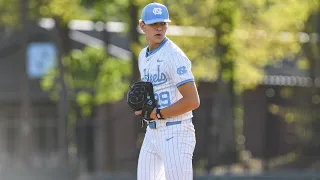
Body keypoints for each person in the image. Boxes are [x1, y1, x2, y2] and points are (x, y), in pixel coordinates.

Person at [134, 2, 200, 180]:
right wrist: (144, 108)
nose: (159, 28)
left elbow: (193, 101)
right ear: (142, 26)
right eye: (154, 24)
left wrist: (158, 113)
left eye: (162, 23)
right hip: (152, 132)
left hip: (176, 131)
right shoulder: (143, 56)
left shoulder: (174, 55)